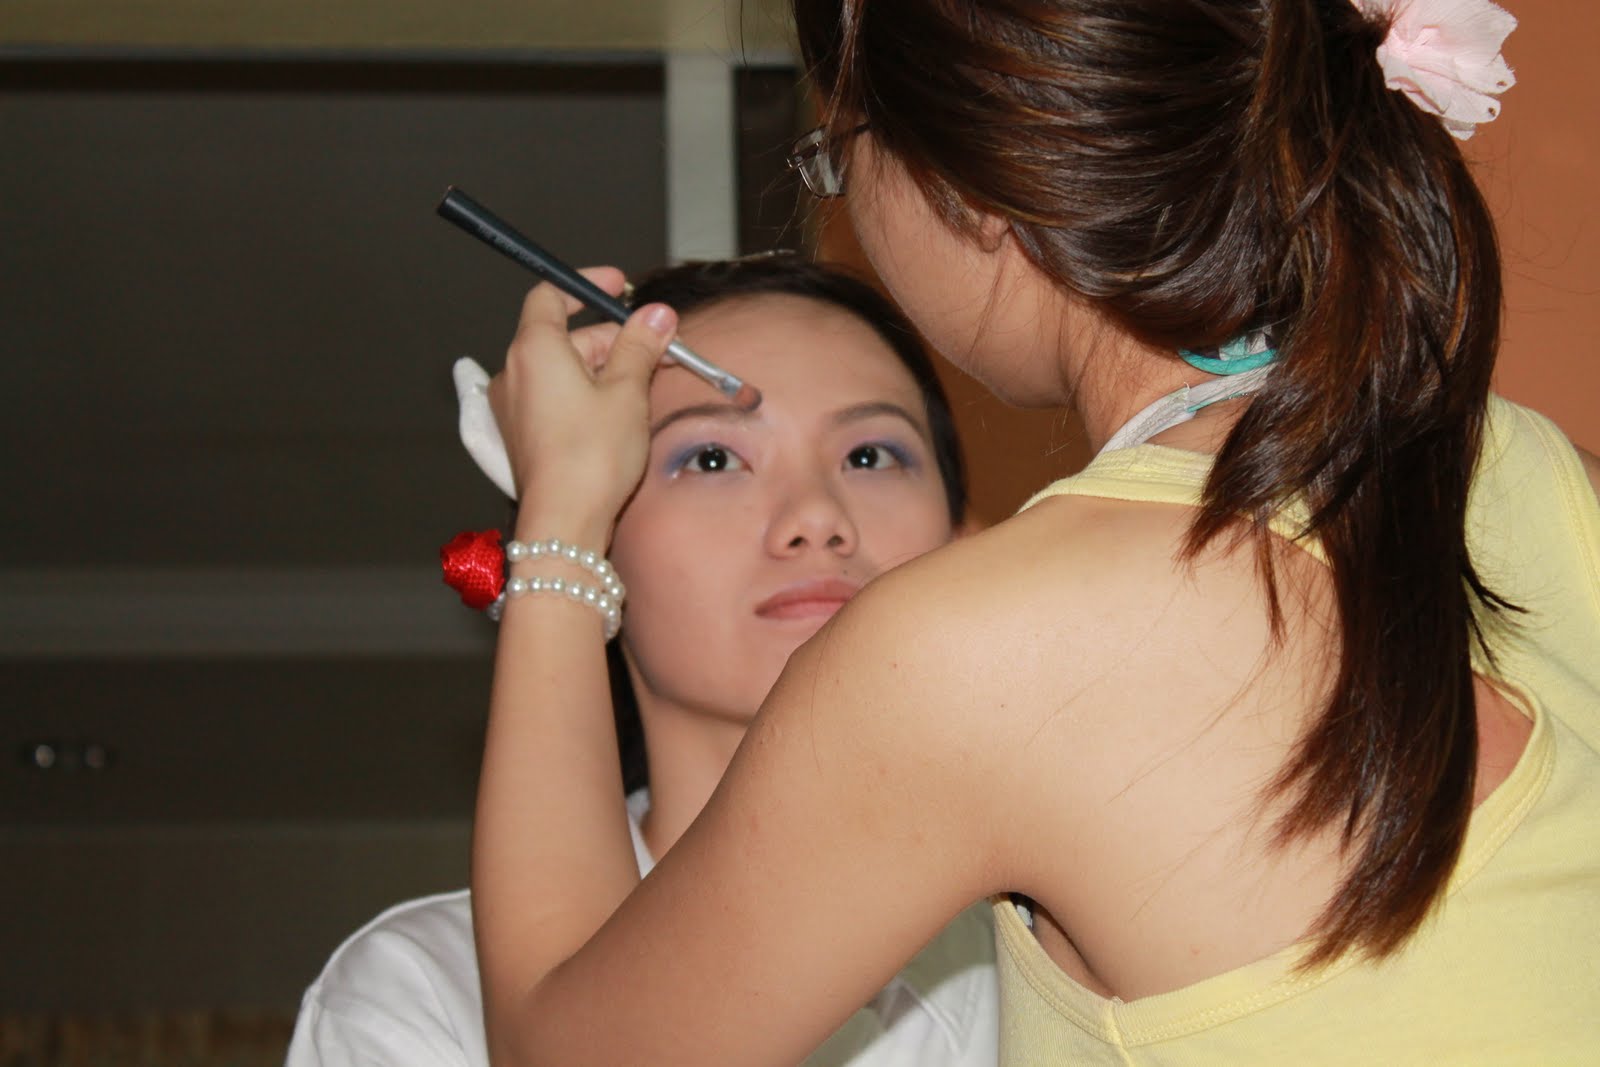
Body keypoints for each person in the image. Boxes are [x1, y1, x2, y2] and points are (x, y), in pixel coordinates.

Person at [469, 0, 1600, 1062]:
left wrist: (562, 514)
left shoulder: (980, 653)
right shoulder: (1549, 475)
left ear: (966, 188)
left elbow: (562, 1045)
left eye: (838, 155)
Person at [285, 255, 999, 1067]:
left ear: (959, 537)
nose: (815, 518)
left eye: (871, 455)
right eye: (712, 458)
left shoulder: (1068, 949)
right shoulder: (423, 994)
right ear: (594, 533)